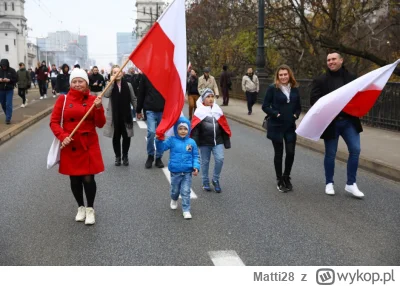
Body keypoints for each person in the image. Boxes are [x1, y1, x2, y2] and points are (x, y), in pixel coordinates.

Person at [49, 68, 105, 225]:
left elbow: (100, 124)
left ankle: (90, 209)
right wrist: (63, 136)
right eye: (74, 81)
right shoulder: (63, 100)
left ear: (86, 83)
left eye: (81, 81)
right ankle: (80, 207)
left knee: (88, 178)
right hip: (70, 143)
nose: (77, 84)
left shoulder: (94, 99)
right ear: (70, 83)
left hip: (88, 143)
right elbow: (54, 122)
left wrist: (99, 108)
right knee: (74, 179)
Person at [310, 52, 364, 198]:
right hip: (331, 123)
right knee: (330, 154)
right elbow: (313, 100)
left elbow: (359, 97)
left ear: (341, 60)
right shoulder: (320, 80)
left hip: (349, 122)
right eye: (328, 60)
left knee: (355, 150)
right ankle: (329, 183)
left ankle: (351, 184)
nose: (331, 62)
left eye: (334, 59)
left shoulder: (352, 78)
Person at [262, 65, 301, 192]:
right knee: (278, 153)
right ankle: (279, 180)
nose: (283, 77)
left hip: (290, 126)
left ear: (289, 75)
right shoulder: (272, 89)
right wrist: (276, 114)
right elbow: (265, 106)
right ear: (278, 77)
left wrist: (296, 115)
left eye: (285, 74)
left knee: (290, 152)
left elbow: (298, 107)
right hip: (276, 126)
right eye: (281, 75)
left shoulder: (294, 89)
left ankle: (286, 177)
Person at [191, 88, 231, 193]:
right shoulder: (199, 111)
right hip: (204, 142)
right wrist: (194, 144)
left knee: (220, 159)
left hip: (217, 141)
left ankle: (215, 179)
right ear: (203, 99)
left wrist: (226, 140)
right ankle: (205, 181)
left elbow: (223, 126)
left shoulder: (217, 109)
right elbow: (195, 130)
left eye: (212, 96)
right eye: (208, 97)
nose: (210, 99)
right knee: (205, 162)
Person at [159, 117, 200, 219]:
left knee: (186, 191)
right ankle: (174, 198)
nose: (183, 131)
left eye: (185, 129)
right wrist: (158, 139)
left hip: (187, 172)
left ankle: (186, 210)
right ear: (176, 130)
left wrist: (196, 166)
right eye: (180, 128)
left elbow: (195, 156)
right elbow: (162, 148)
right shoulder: (172, 140)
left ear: (189, 130)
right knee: (175, 190)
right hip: (175, 171)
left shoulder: (192, 142)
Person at [103, 65, 137, 166]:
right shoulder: (110, 85)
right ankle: (117, 157)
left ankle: (125, 156)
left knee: (127, 137)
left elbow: (133, 99)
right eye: (114, 72)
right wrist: (111, 82)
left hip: (126, 115)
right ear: (112, 74)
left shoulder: (128, 85)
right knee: (116, 137)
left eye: (118, 72)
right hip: (114, 116)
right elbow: (106, 94)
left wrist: (138, 111)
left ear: (122, 73)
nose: (117, 74)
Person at [137, 74, 165, 169]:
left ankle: (158, 157)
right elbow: (141, 92)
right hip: (150, 109)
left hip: (162, 110)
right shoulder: (145, 75)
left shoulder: (165, 75)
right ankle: (150, 155)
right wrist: (138, 110)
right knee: (151, 132)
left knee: (160, 134)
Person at [0, 59, 17, 124]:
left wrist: (9, 80)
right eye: (2, 65)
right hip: (1, 90)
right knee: (3, 104)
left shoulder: (12, 70)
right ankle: (7, 114)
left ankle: (8, 118)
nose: (4, 67)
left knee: (8, 104)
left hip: (9, 89)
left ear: (7, 64)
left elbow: (16, 79)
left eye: (5, 65)